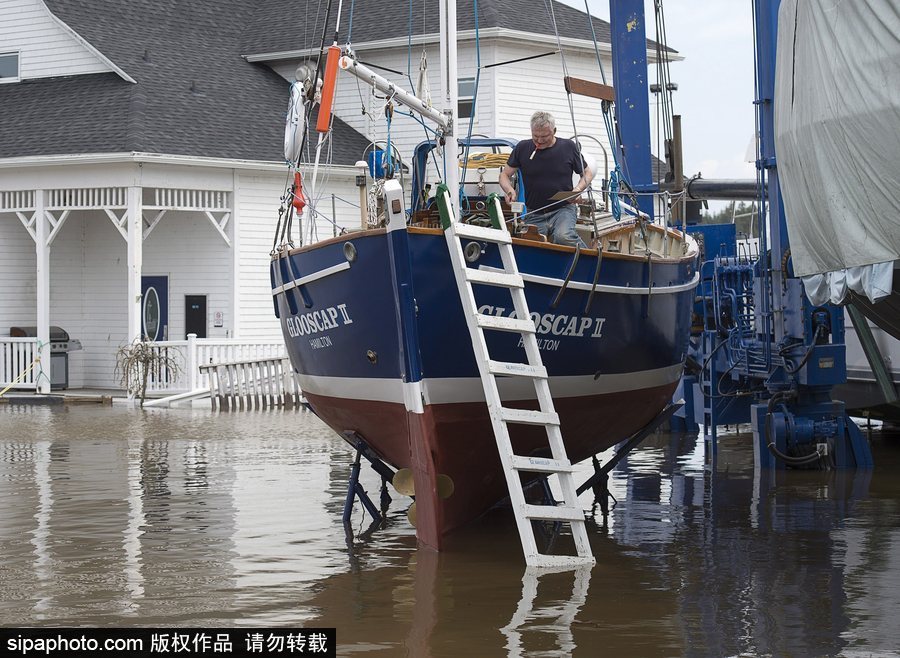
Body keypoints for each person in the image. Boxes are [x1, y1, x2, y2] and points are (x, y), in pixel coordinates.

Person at [499, 111, 594, 248]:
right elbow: (504, 175)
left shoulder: (568, 147)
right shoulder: (523, 148)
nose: (539, 141)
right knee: (530, 246)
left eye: (544, 136)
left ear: (554, 131)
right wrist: (509, 190)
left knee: (564, 237)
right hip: (534, 212)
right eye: (535, 136)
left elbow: (587, 172)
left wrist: (577, 190)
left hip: (563, 209)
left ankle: (589, 262)